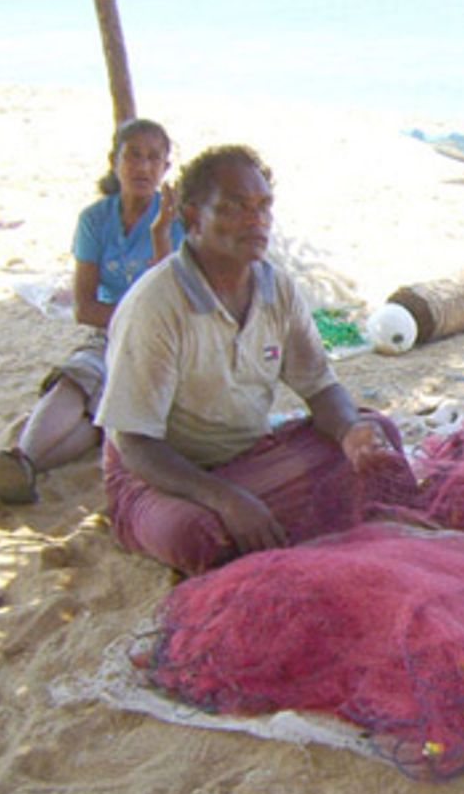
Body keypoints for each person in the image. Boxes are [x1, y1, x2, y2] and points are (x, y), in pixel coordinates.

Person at [95, 144, 411, 575]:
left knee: (378, 435)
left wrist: (351, 431)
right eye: (235, 207)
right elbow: (134, 443)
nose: (255, 220)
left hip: (251, 459)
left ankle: (262, 513)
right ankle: (253, 514)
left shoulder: (276, 288)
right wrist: (224, 498)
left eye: (263, 206)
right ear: (192, 218)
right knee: (197, 535)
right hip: (163, 479)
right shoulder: (156, 304)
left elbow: (319, 386)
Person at [0, 117, 184, 519]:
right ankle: (21, 464)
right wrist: (130, 318)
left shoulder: (176, 223)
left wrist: (161, 237)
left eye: (153, 158)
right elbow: (84, 307)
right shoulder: (95, 220)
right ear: (114, 162)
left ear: (165, 168)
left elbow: (171, 306)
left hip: (159, 347)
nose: (143, 167)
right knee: (75, 380)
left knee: (103, 416)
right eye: (133, 156)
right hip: (110, 335)